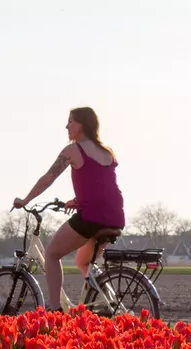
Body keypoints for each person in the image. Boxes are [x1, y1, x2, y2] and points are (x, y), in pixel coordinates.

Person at [12, 106, 125, 312]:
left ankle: (55, 311)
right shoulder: (106, 151)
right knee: (84, 261)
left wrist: (26, 199)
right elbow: (101, 185)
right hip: (115, 216)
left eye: (71, 121)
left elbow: (48, 178)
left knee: (53, 254)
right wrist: (77, 200)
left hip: (92, 217)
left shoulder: (73, 150)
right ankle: (106, 304)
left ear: (82, 124)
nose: (67, 126)